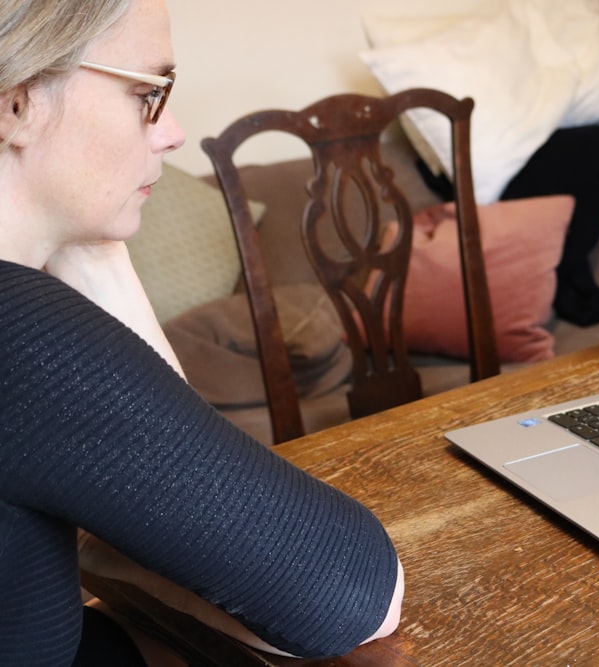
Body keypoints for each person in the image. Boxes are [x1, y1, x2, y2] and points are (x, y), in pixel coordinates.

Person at [0, 1, 404, 665]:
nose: (173, 132)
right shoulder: (21, 335)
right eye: (147, 94)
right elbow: (358, 594)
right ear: (15, 101)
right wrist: (97, 254)